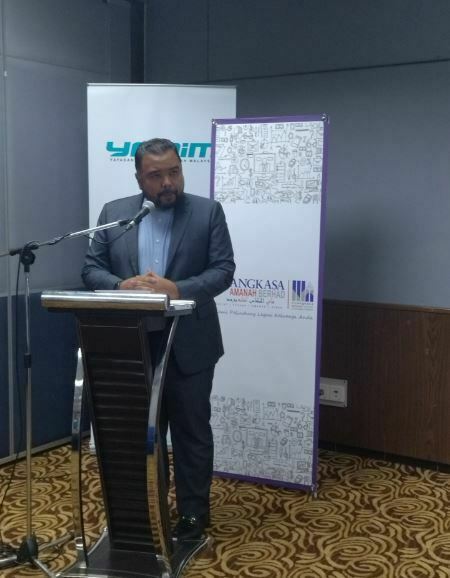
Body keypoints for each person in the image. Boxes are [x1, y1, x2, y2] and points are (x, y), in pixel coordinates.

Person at [81, 138, 235, 541]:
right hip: (131, 345)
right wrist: (121, 285)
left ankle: (193, 515)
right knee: (141, 434)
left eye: (174, 172)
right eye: (156, 175)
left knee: (191, 431)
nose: (168, 182)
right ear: (139, 178)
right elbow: (91, 270)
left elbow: (223, 270)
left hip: (190, 343)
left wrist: (177, 289)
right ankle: (151, 511)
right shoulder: (114, 214)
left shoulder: (207, 212)